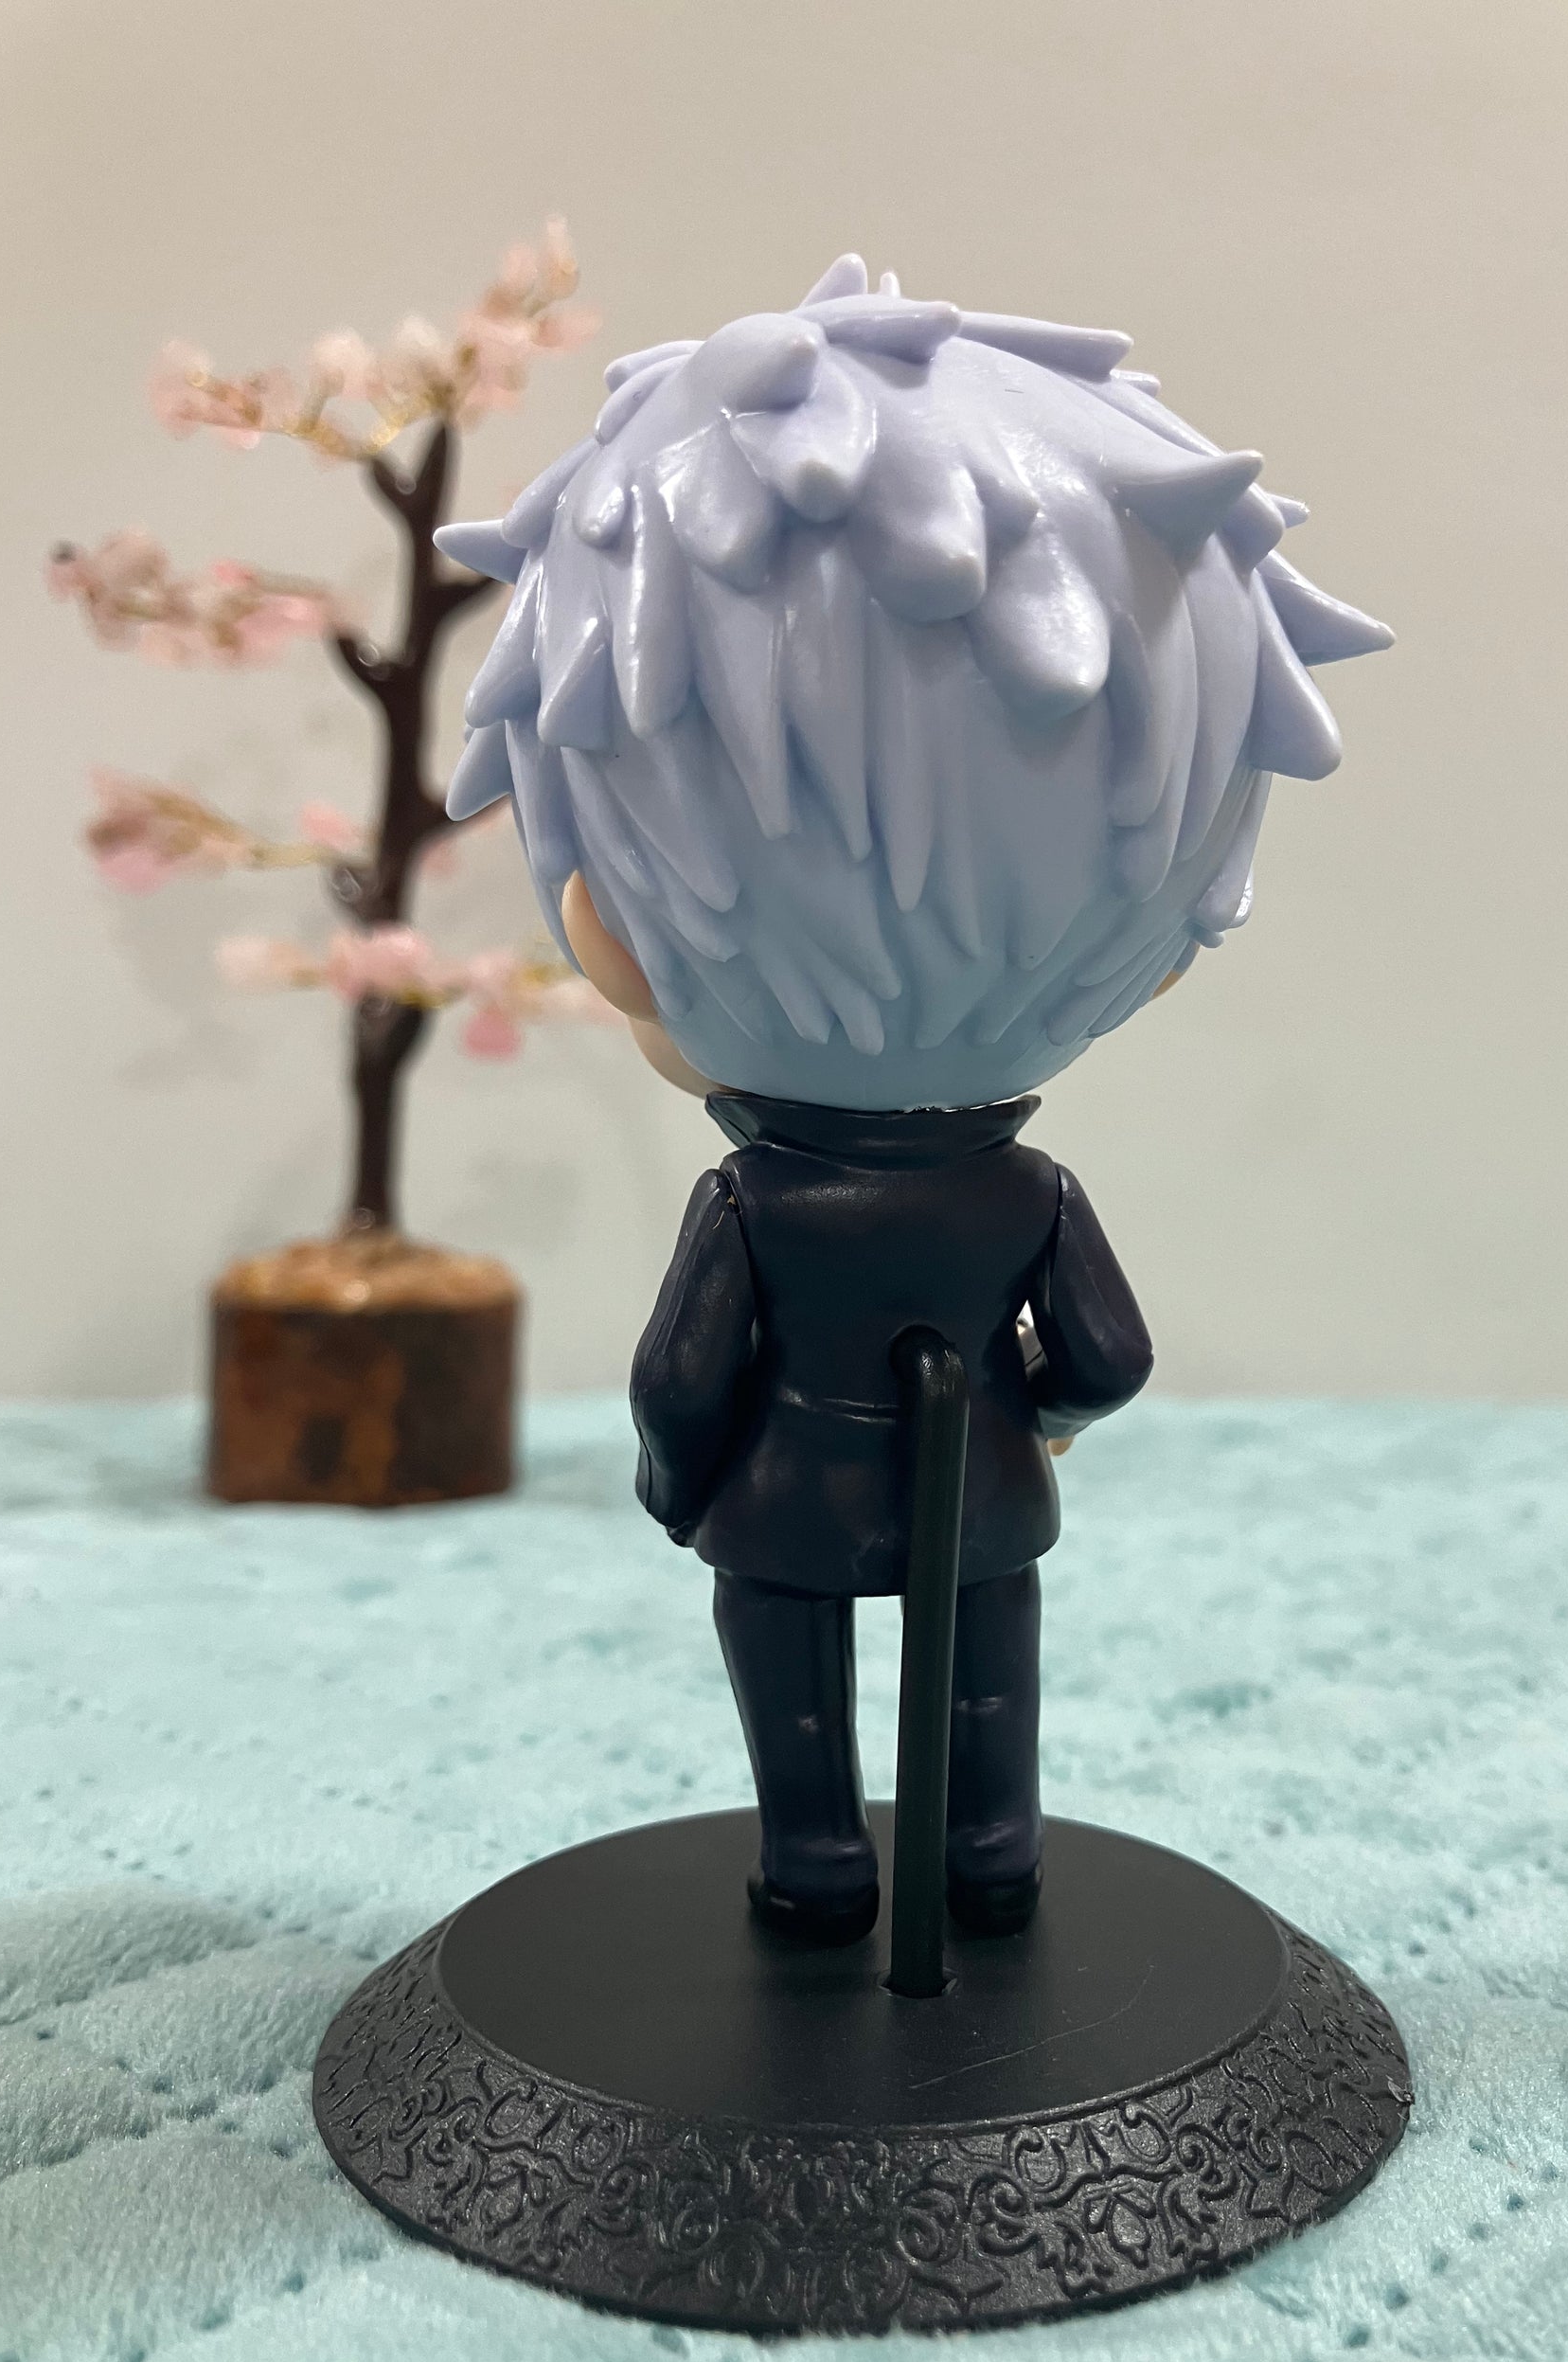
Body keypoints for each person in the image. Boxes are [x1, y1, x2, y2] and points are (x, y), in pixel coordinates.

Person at [437, 254, 1389, 1941]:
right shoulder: (1027, 1194)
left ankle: (815, 1863)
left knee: (792, 1680)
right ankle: (991, 1851)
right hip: (989, 1500)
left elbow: (679, 1376)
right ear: (1163, 944)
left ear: (611, 934)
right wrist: (1033, 1417)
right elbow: (1108, 1355)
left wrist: (676, 1483)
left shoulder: (753, 1201)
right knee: (986, 1676)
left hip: (784, 1507)